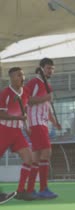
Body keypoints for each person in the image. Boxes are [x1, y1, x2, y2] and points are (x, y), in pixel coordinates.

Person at [24, 58, 61, 200]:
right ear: (41, 68)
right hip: (35, 122)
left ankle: (30, 189)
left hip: (43, 123)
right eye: (47, 68)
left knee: (37, 157)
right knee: (46, 152)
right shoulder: (34, 82)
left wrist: (55, 122)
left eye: (52, 68)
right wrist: (45, 97)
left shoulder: (47, 86)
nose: (50, 70)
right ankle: (43, 188)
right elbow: (26, 100)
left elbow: (48, 109)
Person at [0, 67, 36, 202]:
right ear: (11, 78)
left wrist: (26, 126)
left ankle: (21, 191)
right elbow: (0, 113)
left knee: (29, 158)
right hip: (3, 131)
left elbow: (24, 110)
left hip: (17, 132)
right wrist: (18, 119)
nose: (22, 77)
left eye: (23, 74)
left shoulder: (25, 92)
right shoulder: (5, 94)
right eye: (18, 75)